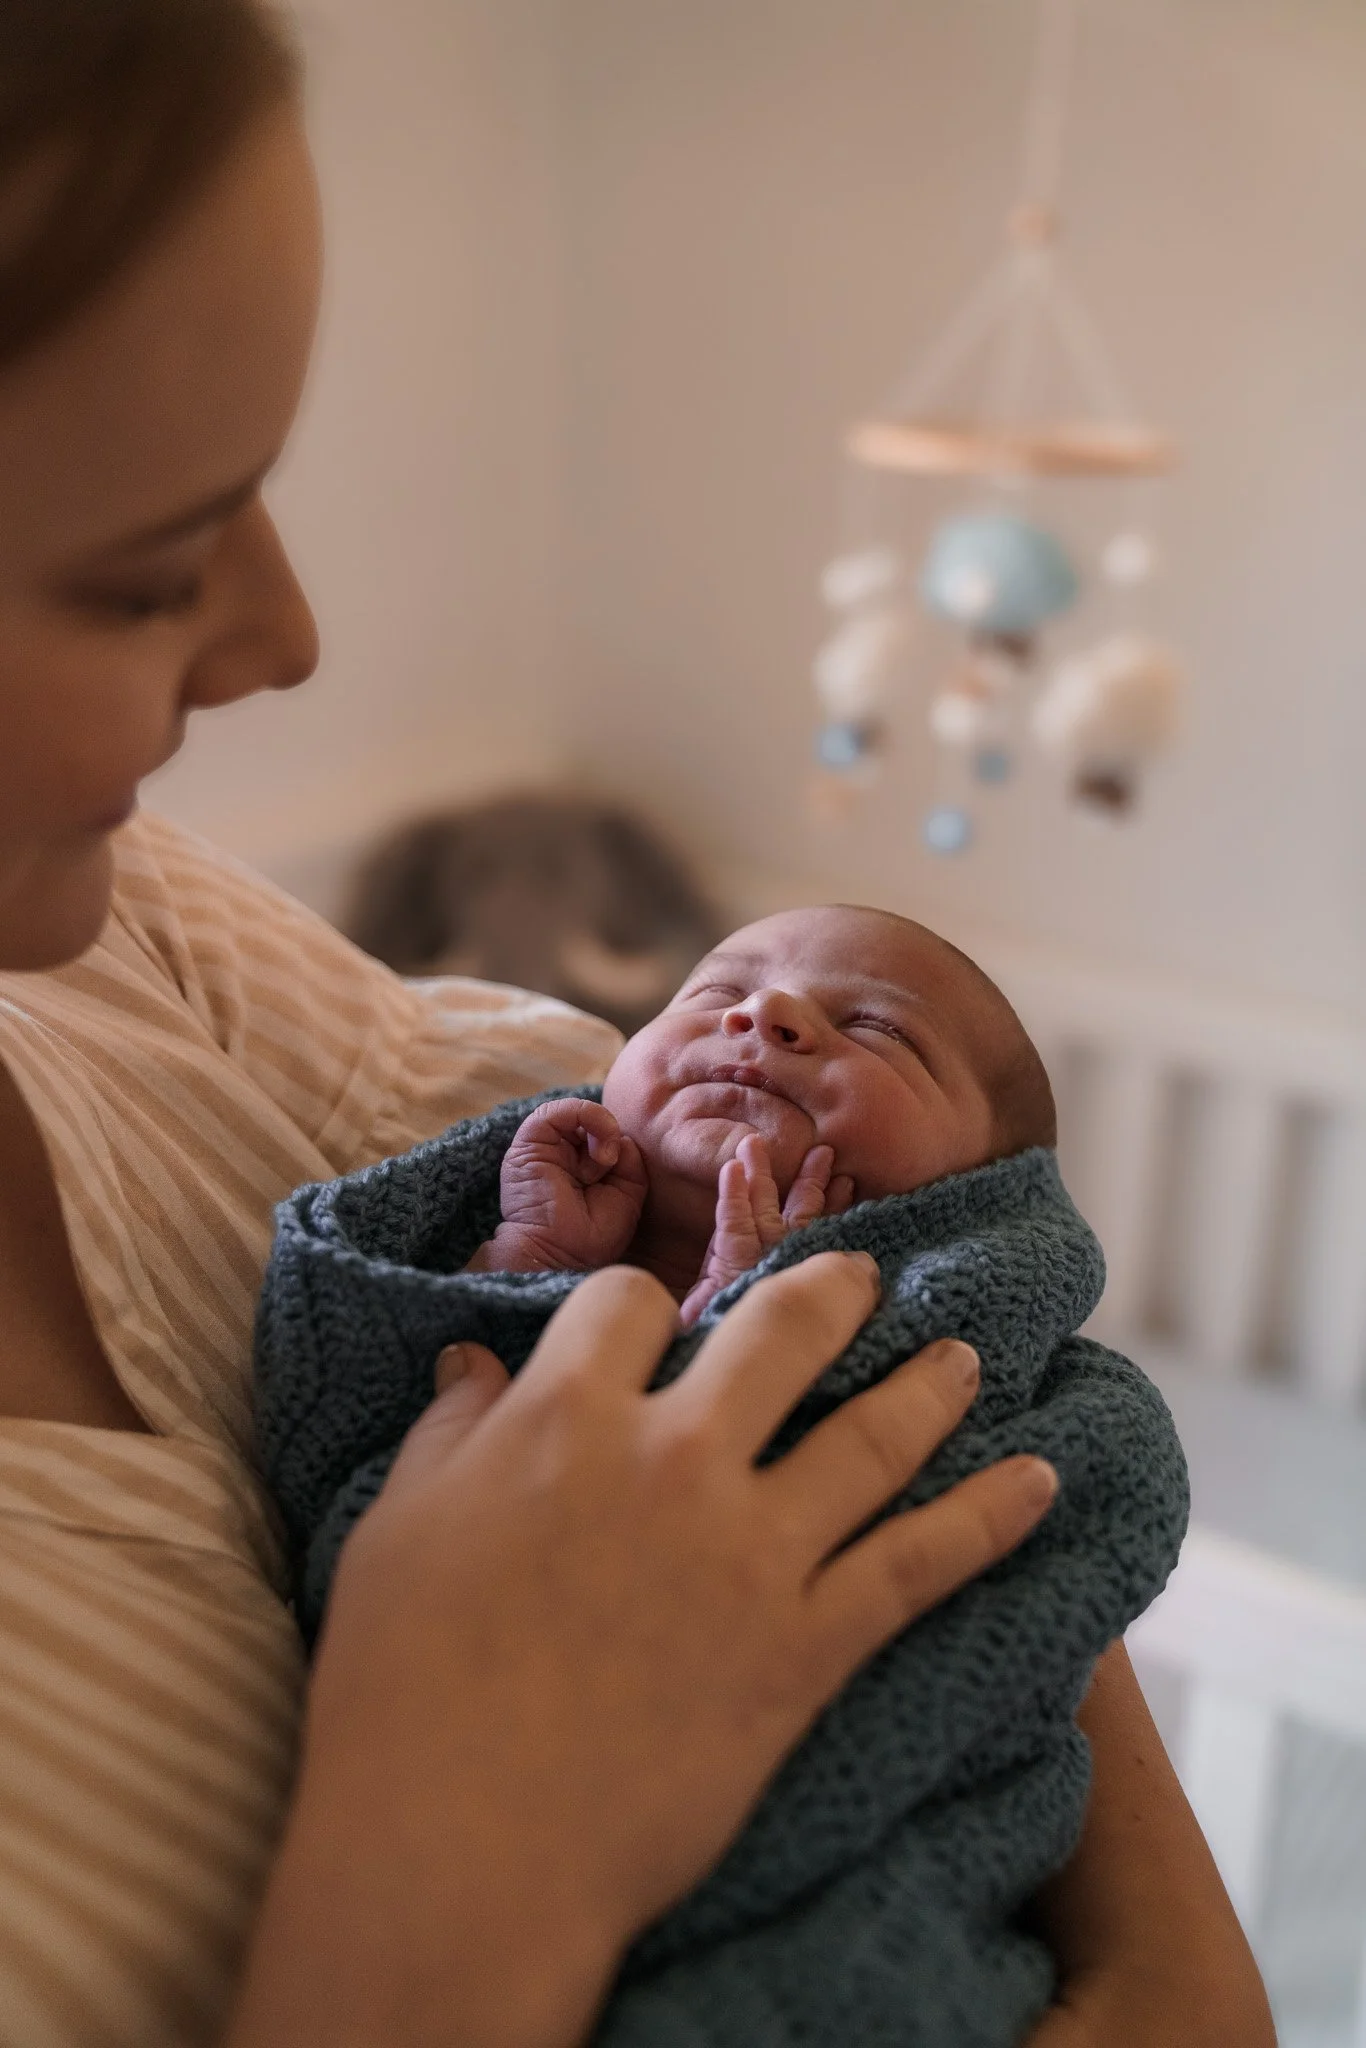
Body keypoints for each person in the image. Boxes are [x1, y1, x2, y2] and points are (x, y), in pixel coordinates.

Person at [0, 4, 1273, 2046]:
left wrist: (776, 1301)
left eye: (850, 1016)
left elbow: (549, 1155)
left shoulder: (115, 915)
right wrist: (473, 1851)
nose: (287, 636)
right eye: (144, 573)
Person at [254, 902, 1189, 2046]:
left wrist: (752, 1330)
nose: (768, 1012)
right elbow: (360, 1436)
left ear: (980, 1191)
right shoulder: (518, 1250)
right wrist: (527, 1265)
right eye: (713, 993)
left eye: (880, 1031)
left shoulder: (994, 1369)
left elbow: (1084, 1514)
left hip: (857, 1909)